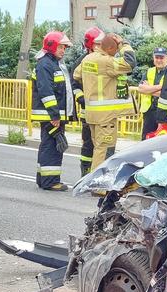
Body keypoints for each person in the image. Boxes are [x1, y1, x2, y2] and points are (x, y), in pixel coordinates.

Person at [73, 33, 137, 170]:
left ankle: (95, 182)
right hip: (105, 117)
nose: (116, 54)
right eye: (115, 50)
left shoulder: (88, 58)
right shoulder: (106, 61)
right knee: (104, 151)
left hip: (92, 114)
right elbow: (130, 62)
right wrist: (123, 44)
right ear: (109, 48)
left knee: (98, 148)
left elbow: (76, 75)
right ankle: (99, 185)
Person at [31, 31, 74, 192]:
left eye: (64, 47)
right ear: (52, 46)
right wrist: (54, 115)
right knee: (53, 147)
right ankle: (50, 181)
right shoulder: (46, 65)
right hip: (50, 115)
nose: (63, 50)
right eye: (61, 47)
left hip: (51, 114)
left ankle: (43, 179)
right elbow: (46, 92)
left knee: (48, 145)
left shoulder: (52, 64)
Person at [71, 26, 104, 177]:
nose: (100, 47)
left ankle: (98, 175)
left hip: (104, 113)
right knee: (88, 144)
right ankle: (85, 174)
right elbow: (74, 84)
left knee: (102, 145)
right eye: (97, 44)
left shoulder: (105, 60)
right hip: (88, 111)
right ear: (90, 45)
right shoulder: (82, 62)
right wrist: (82, 99)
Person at [137, 47, 167, 140]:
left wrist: (149, 89)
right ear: (153, 58)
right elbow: (141, 89)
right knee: (146, 139)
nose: (159, 60)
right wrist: (160, 87)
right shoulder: (149, 71)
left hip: (165, 112)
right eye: (157, 57)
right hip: (149, 112)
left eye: (161, 58)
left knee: (163, 139)